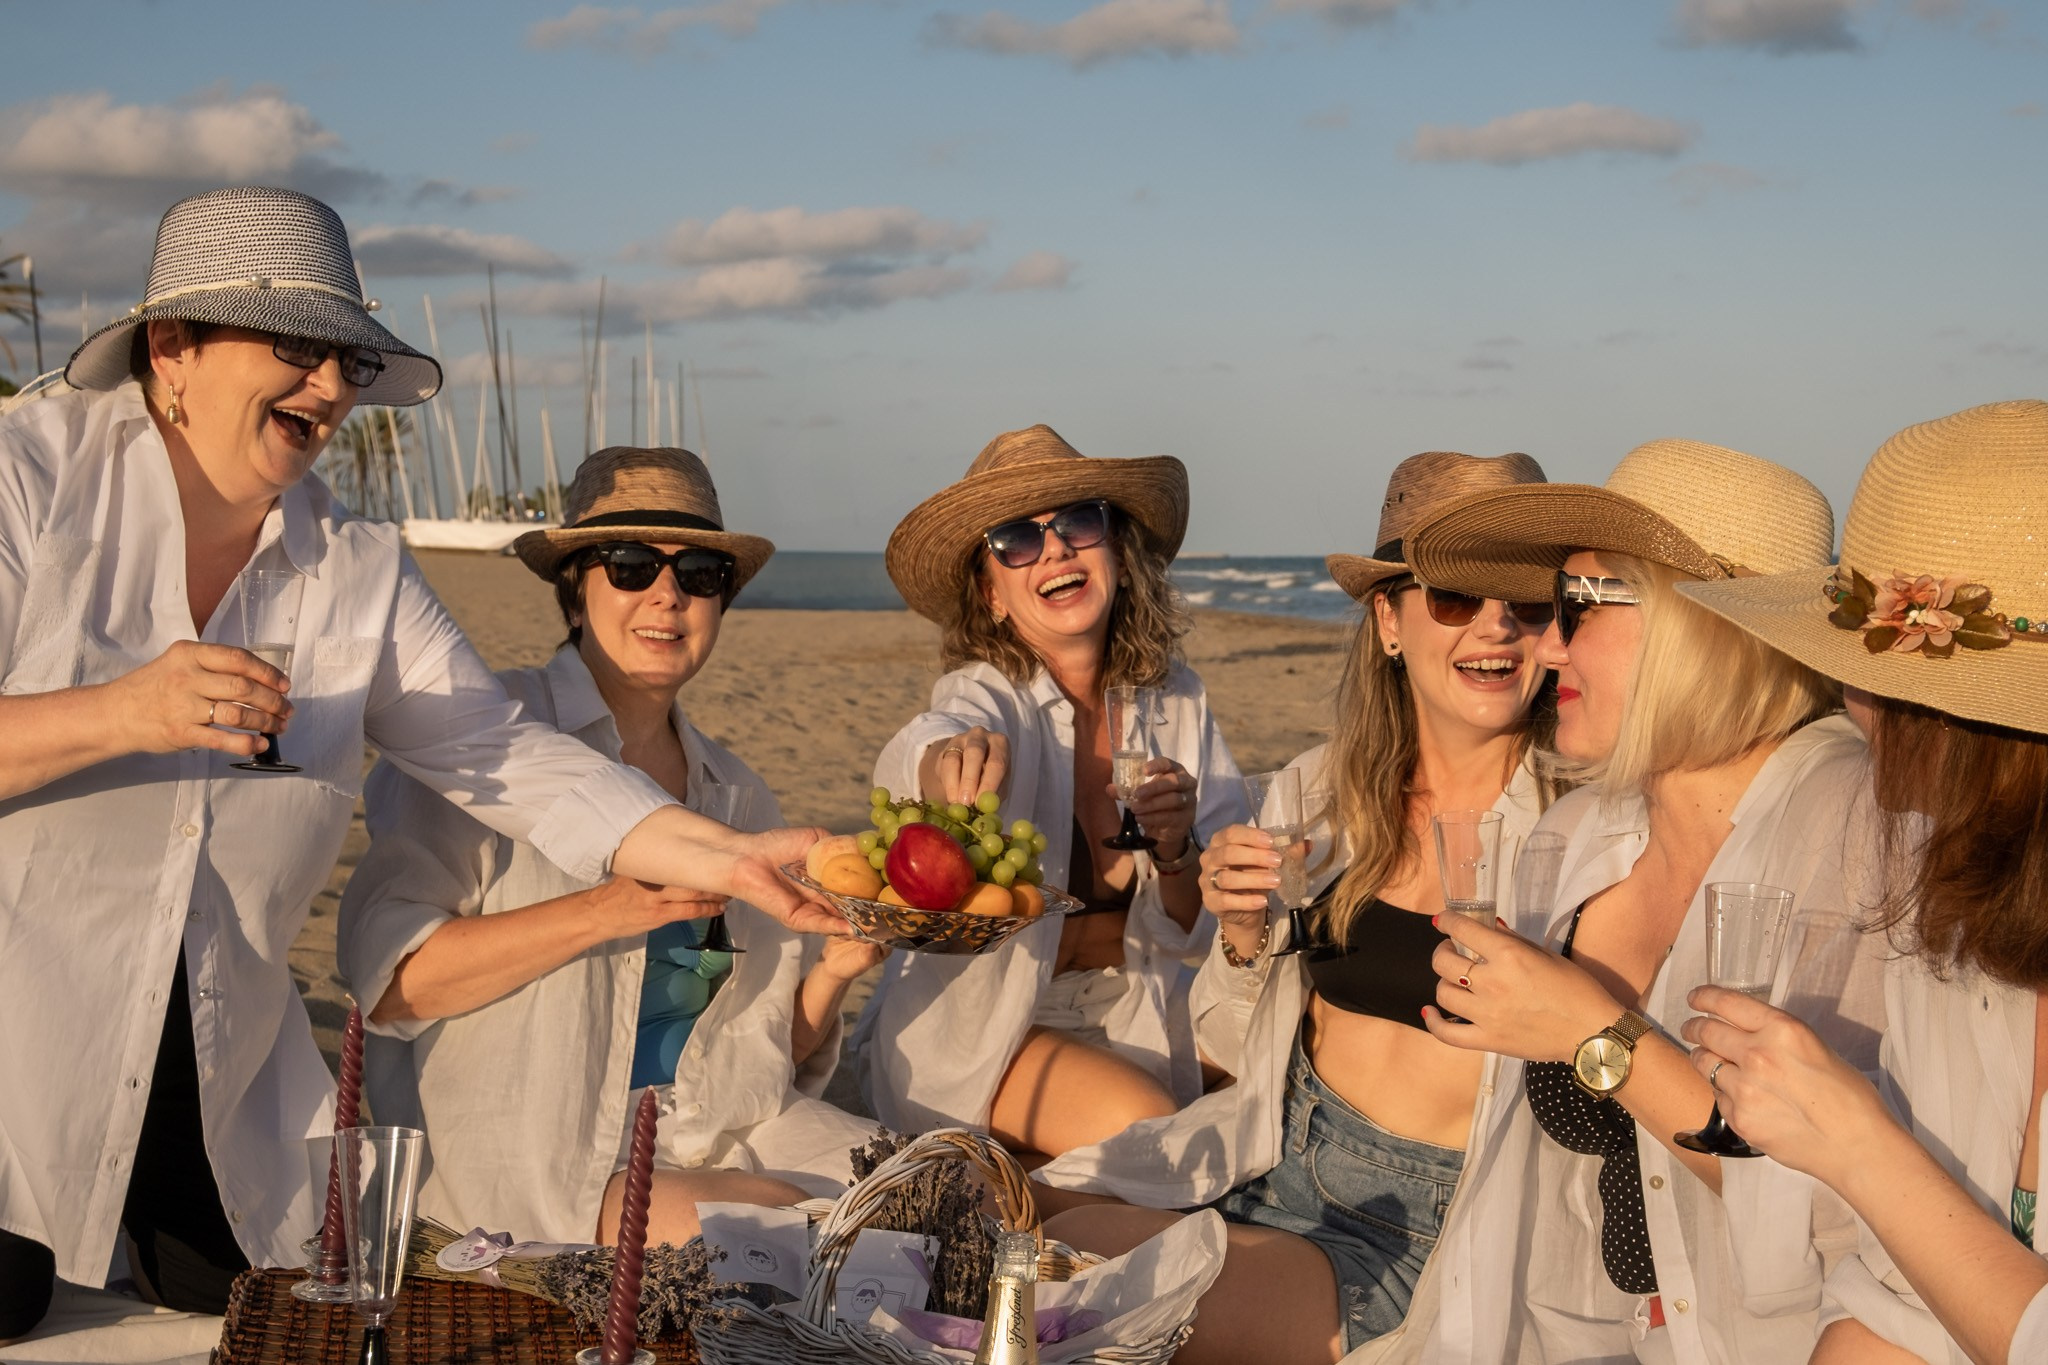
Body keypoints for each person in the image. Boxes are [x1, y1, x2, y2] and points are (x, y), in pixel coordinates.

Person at [0, 188, 834, 1333]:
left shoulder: (355, 565)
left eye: (345, 358)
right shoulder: (27, 481)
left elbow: (504, 751)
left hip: (215, 1086)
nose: (335, 388)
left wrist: (733, 855)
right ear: (173, 349)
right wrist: (118, 713)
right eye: (298, 349)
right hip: (19, 1051)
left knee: (245, 1330)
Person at [1039, 450, 1559, 1365]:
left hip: (1415, 1229)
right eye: (1455, 598)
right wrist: (1240, 938)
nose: (1496, 627)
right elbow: (1237, 1054)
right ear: (1389, 620)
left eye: (1527, 602)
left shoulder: (1576, 830)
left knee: (1057, 1285)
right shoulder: (1321, 793)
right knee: (1008, 1211)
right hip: (1270, 1156)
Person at [1397, 439, 1882, 1363]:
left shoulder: (1862, 835)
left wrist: (1597, 1034)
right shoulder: (1577, 836)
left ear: (1708, 624)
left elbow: (1859, 1212)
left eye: (1578, 605)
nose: (1541, 643)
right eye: (1550, 610)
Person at [338, 447, 885, 1247]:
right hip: (537, 1152)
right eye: (629, 564)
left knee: (947, 1189)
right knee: (782, 1226)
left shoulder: (733, 792)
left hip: (711, 1129)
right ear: (575, 589)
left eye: (699, 572)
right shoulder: (487, 746)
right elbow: (391, 987)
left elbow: (761, 1060)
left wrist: (834, 969)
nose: (667, 593)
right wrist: (606, 908)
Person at [1669, 399, 2048, 1365]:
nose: (1851, 698)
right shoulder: (1958, 931)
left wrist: (1860, 1144)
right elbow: (1903, 1303)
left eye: (1878, 672)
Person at [856, 424, 1244, 1158]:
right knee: (1153, 1128)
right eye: (1016, 539)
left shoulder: (1178, 702)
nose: (1056, 549)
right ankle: (965, 1206)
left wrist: (1175, 847)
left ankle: (1001, 1208)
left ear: (1119, 555)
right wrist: (949, 761)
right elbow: (930, 739)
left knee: (1270, 1086)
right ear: (990, 591)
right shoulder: (989, 694)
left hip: (1133, 1005)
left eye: (1078, 522)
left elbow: (1200, 928)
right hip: (990, 1026)